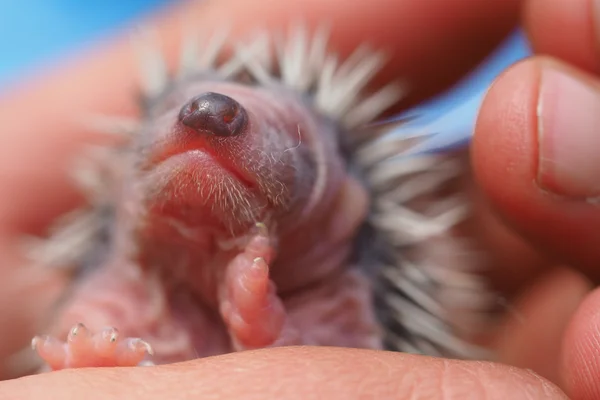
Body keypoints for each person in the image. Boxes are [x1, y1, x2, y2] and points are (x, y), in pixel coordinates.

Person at [0, 0, 597, 398]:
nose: (204, 119)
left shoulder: (353, 292)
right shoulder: (111, 278)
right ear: (115, 180)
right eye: (175, 113)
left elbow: (359, 367)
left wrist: (273, 338)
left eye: (299, 149)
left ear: (344, 210)